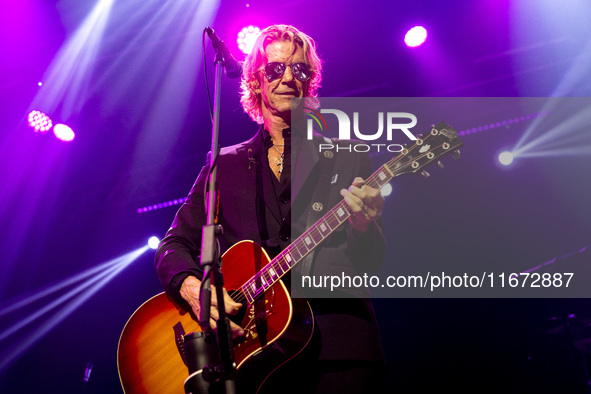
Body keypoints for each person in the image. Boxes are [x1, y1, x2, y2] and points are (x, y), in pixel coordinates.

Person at [155, 24, 387, 393]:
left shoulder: (346, 156)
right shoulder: (222, 165)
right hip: (255, 356)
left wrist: (363, 224)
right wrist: (191, 287)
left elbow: (372, 259)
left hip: (339, 348)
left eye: (300, 69)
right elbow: (173, 246)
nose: (289, 77)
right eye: (276, 68)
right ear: (255, 80)